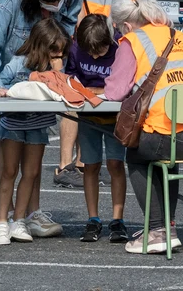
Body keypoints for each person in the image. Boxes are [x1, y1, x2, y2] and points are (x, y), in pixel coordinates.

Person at [104, 0, 183, 255]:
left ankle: (159, 230)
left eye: (117, 29)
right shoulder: (182, 37)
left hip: (177, 137)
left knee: (137, 152)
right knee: (165, 155)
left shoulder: (133, 40)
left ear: (125, 25)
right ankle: (166, 226)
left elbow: (114, 93)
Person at [0, 0, 83, 240]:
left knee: (33, 164)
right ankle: (8, 214)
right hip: (8, 82)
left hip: (41, 96)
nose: (54, 7)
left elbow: (68, 26)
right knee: (7, 153)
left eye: (57, 1)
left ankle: (28, 215)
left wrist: (60, 69)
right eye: (47, 3)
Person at [54, 0, 128, 189]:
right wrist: (82, 37)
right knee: (72, 97)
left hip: (97, 34)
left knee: (86, 96)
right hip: (84, 36)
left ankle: (83, 163)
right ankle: (65, 165)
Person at [0, 19, 70, 245]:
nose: (59, 56)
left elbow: (64, 88)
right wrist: (1, 91)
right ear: (41, 45)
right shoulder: (18, 62)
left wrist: (57, 71)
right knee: (10, 171)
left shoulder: (56, 66)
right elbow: (0, 83)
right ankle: (2, 223)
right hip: (14, 123)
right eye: (55, 51)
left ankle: (19, 221)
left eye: (62, 52)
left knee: (31, 173)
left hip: (38, 124)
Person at [64, 14, 129, 244]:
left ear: (108, 41)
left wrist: (100, 91)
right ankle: (93, 218)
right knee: (89, 166)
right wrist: (81, 90)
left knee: (115, 165)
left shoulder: (121, 47)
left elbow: (125, 83)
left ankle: (117, 219)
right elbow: (70, 78)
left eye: (98, 52)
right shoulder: (76, 48)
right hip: (88, 116)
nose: (93, 57)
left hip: (114, 117)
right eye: (89, 53)